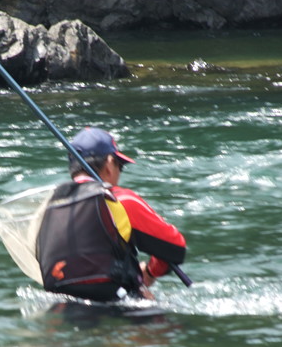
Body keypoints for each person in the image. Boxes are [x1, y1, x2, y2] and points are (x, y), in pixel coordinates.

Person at [36, 127, 186, 302]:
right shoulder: (120, 200)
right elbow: (175, 247)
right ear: (109, 164)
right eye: (119, 165)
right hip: (121, 306)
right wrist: (151, 272)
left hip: (62, 308)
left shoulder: (50, 206)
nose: (120, 172)